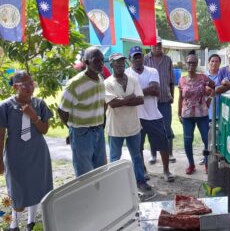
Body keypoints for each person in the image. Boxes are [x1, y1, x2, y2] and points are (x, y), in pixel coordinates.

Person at [0, 71, 53, 231]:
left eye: (32, 83)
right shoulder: (6, 106)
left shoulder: (39, 104)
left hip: (37, 152)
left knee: (37, 184)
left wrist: (33, 116)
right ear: (15, 86)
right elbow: (1, 134)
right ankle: (13, 223)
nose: (30, 87)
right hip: (15, 153)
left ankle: (31, 221)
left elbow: (44, 130)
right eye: (25, 84)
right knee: (16, 187)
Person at [125, 46, 175, 182]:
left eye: (139, 56)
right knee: (138, 146)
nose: (137, 59)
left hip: (153, 114)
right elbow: (127, 95)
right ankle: (143, 170)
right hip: (135, 116)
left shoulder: (152, 71)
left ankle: (166, 170)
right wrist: (141, 92)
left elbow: (155, 90)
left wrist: (136, 93)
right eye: (134, 57)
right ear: (130, 59)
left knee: (162, 144)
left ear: (143, 57)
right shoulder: (126, 73)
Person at [104, 52, 152, 192]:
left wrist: (122, 100)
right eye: (116, 62)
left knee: (136, 156)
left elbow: (141, 100)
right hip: (115, 127)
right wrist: (130, 97)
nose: (119, 64)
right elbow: (113, 104)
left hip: (133, 125)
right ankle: (115, 184)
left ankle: (140, 181)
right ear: (111, 64)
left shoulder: (133, 80)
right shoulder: (107, 83)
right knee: (115, 157)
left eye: (122, 61)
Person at [58, 46, 107, 177]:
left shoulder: (100, 79)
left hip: (98, 131)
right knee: (84, 174)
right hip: (82, 133)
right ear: (86, 62)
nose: (101, 63)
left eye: (102, 60)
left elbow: (102, 103)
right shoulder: (75, 84)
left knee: (101, 171)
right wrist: (72, 129)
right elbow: (62, 110)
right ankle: (87, 197)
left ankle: (99, 196)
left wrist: (102, 123)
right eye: (96, 60)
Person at [178, 52, 215, 174]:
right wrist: (179, 113)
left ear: (197, 64)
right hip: (187, 116)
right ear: (186, 63)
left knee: (206, 140)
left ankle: (207, 163)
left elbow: (214, 87)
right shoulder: (182, 80)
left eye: (194, 62)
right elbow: (180, 98)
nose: (191, 65)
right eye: (189, 62)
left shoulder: (203, 78)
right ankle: (191, 164)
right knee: (188, 141)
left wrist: (209, 100)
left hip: (202, 115)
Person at [144, 37, 176, 164]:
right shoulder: (145, 59)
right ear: (150, 46)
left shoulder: (167, 59)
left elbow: (172, 80)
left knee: (166, 127)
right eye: (155, 45)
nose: (157, 47)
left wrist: (172, 96)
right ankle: (153, 155)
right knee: (152, 129)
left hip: (165, 100)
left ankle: (170, 153)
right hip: (150, 101)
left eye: (159, 45)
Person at [199, 54, 221, 166]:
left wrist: (214, 90)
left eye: (216, 61)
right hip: (206, 110)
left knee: (218, 136)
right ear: (208, 63)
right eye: (212, 61)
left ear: (219, 63)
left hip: (218, 110)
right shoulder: (203, 76)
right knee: (206, 136)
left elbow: (221, 88)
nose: (214, 63)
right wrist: (204, 89)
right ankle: (206, 158)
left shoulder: (222, 75)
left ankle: (217, 158)